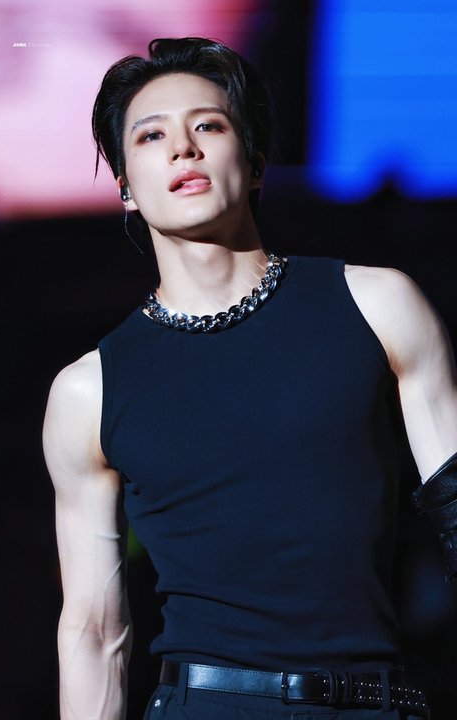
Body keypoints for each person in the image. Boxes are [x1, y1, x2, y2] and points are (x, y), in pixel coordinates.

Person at [42, 37, 457, 720]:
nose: (183, 148)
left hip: (376, 700)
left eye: (208, 125)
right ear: (125, 188)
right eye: (151, 135)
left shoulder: (375, 305)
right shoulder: (91, 390)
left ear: (256, 163)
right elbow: (94, 630)